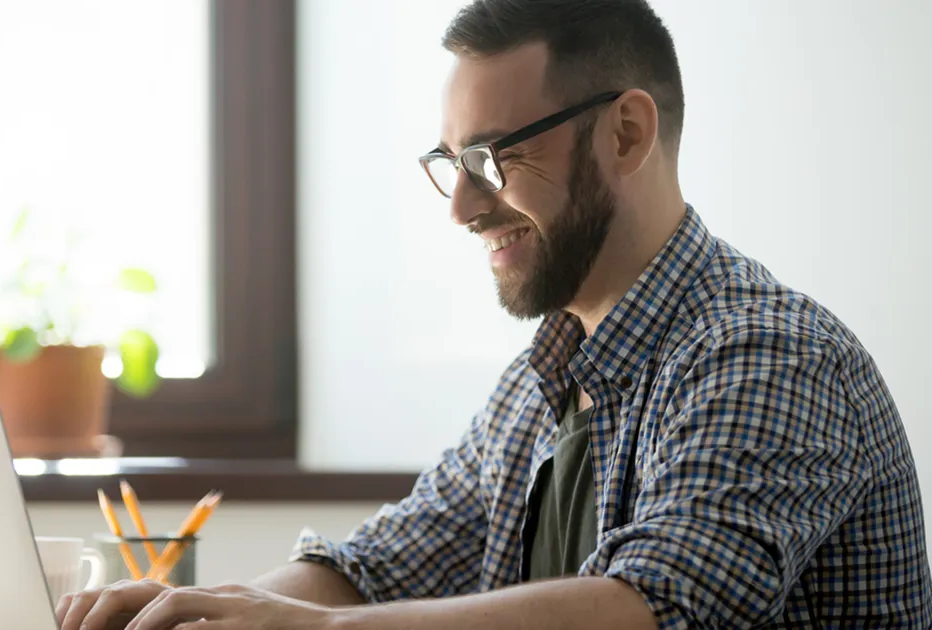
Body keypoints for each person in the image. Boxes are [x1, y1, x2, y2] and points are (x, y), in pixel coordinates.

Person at [57, 0, 932, 627]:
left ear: (626, 133)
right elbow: (377, 568)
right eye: (449, 161)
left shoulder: (768, 353)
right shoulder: (542, 379)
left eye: (490, 156)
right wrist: (207, 610)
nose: (462, 206)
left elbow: (657, 606)